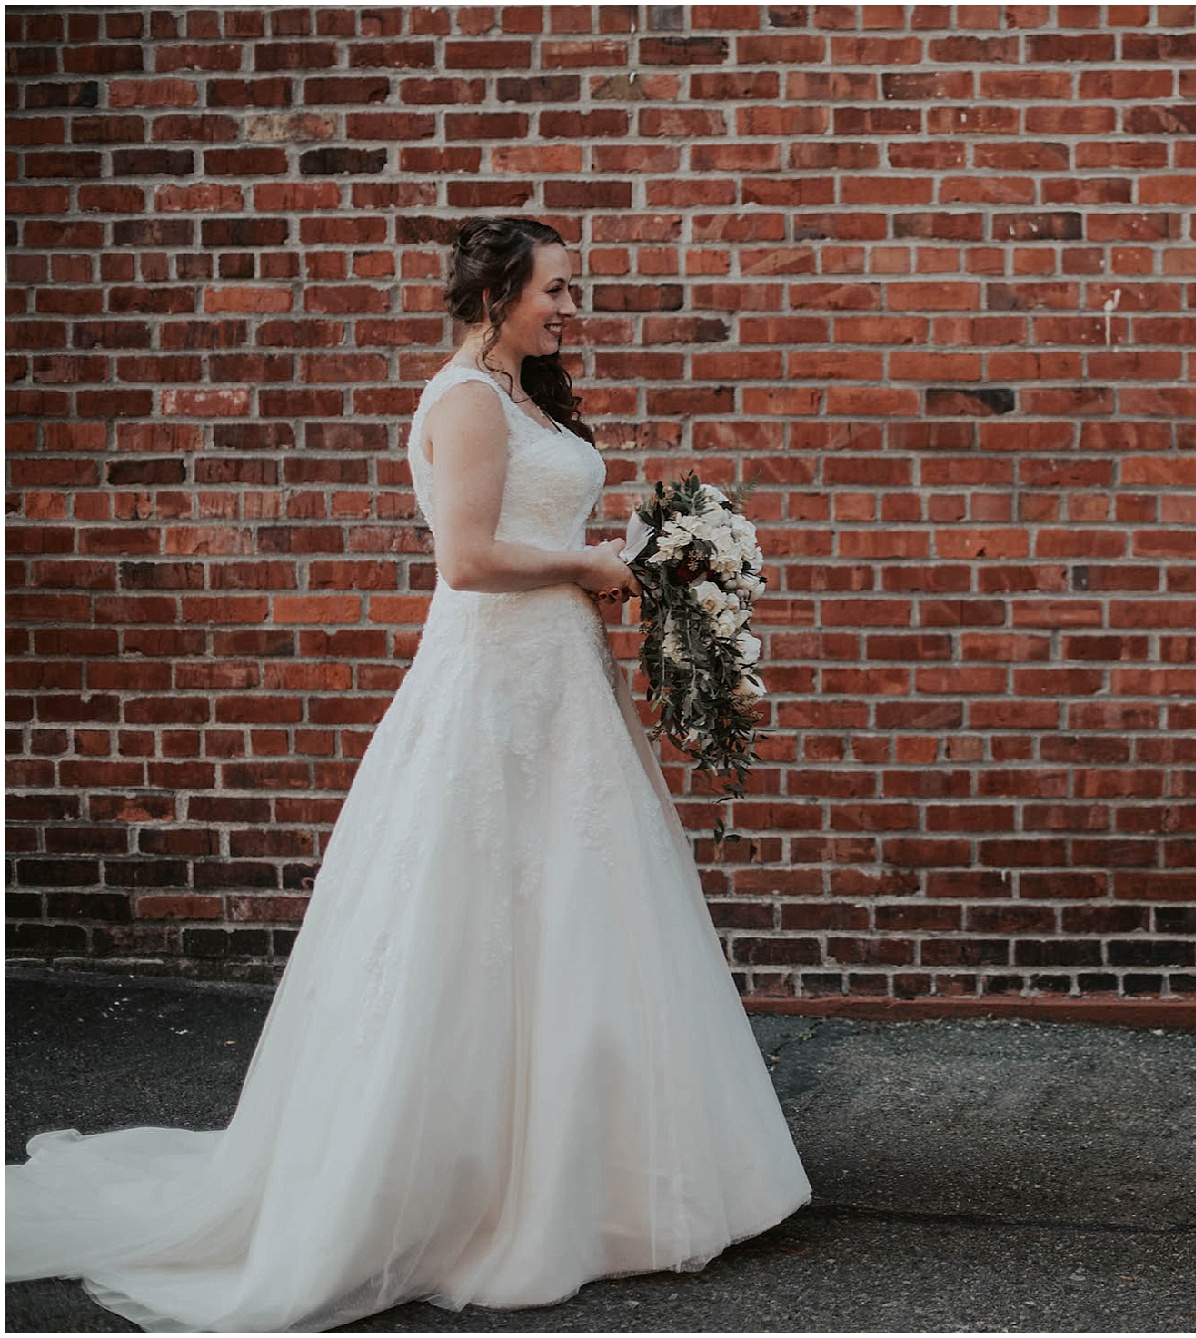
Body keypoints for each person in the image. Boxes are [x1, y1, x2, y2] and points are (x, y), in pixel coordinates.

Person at [6, 216, 811, 1331]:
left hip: (561, 685)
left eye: (573, 291)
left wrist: (642, 559)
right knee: (480, 909)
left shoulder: (527, 395)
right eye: (557, 290)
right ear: (498, 292)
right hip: (492, 688)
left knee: (584, 910)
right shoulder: (466, 400)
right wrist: (587, 561)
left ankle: (603, 1175)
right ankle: (466, 1184)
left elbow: (532, 528)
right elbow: (467, 559)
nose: (572, 309)